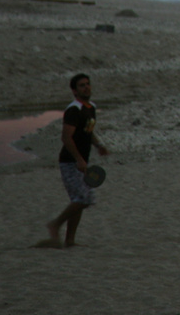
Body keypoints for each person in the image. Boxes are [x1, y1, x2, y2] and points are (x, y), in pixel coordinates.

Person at [46, 72, 109, 247]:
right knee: (83, 198)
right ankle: (55, 224)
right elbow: (66, 138)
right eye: (82, 85)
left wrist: (98, 145)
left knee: (79, 200)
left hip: (81, 161)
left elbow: (88, 131)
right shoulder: (73, 109)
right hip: (70, 162)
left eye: (88, 84)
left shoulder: (90, 107)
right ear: (74, 91)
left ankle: (70, 240)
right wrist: (79, 160)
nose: (86, 87)